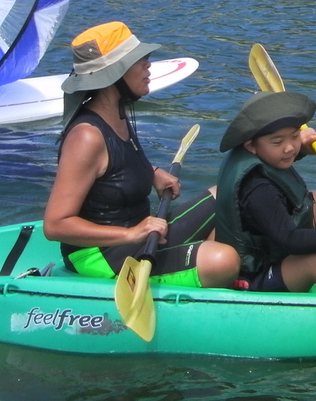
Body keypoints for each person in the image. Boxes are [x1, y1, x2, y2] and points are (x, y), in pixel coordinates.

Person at [43, 21, 239, 289]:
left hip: (143, 233)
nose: (149, 65)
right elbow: (55, 225)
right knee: (222, 260)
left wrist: (152, 174)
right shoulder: (86, 137)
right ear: (114, 76)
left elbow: (115, 168)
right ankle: (214, 275)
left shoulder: (119, 114)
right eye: (140, 59)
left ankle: (208, 276)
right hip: (101, 253)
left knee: (225, 193)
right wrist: (130, 233)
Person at [214, 90, 316, 293]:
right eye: (278, 142)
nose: (289, 148)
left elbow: (274, 160)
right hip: (254, 275)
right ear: (251, 145)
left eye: (294, 137)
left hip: (271, 252)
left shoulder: (255, 154)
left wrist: (301, 150)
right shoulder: (257, 188)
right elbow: (290, 240)